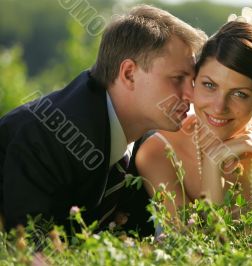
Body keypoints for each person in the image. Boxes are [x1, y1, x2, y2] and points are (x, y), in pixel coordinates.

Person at [0, 5, 206, 235]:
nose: (192, 94)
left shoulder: (145, 140)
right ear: (129, 73)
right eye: (178, 78)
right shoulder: (48, 138)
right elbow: (32, 250)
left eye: (194, 80)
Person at [136, 8, 252, 230]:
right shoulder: (157, 153)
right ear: (193, 81)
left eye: (240, 94)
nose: (219, 107)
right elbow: (200, 254)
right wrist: (212, 164)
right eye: (209, 85)